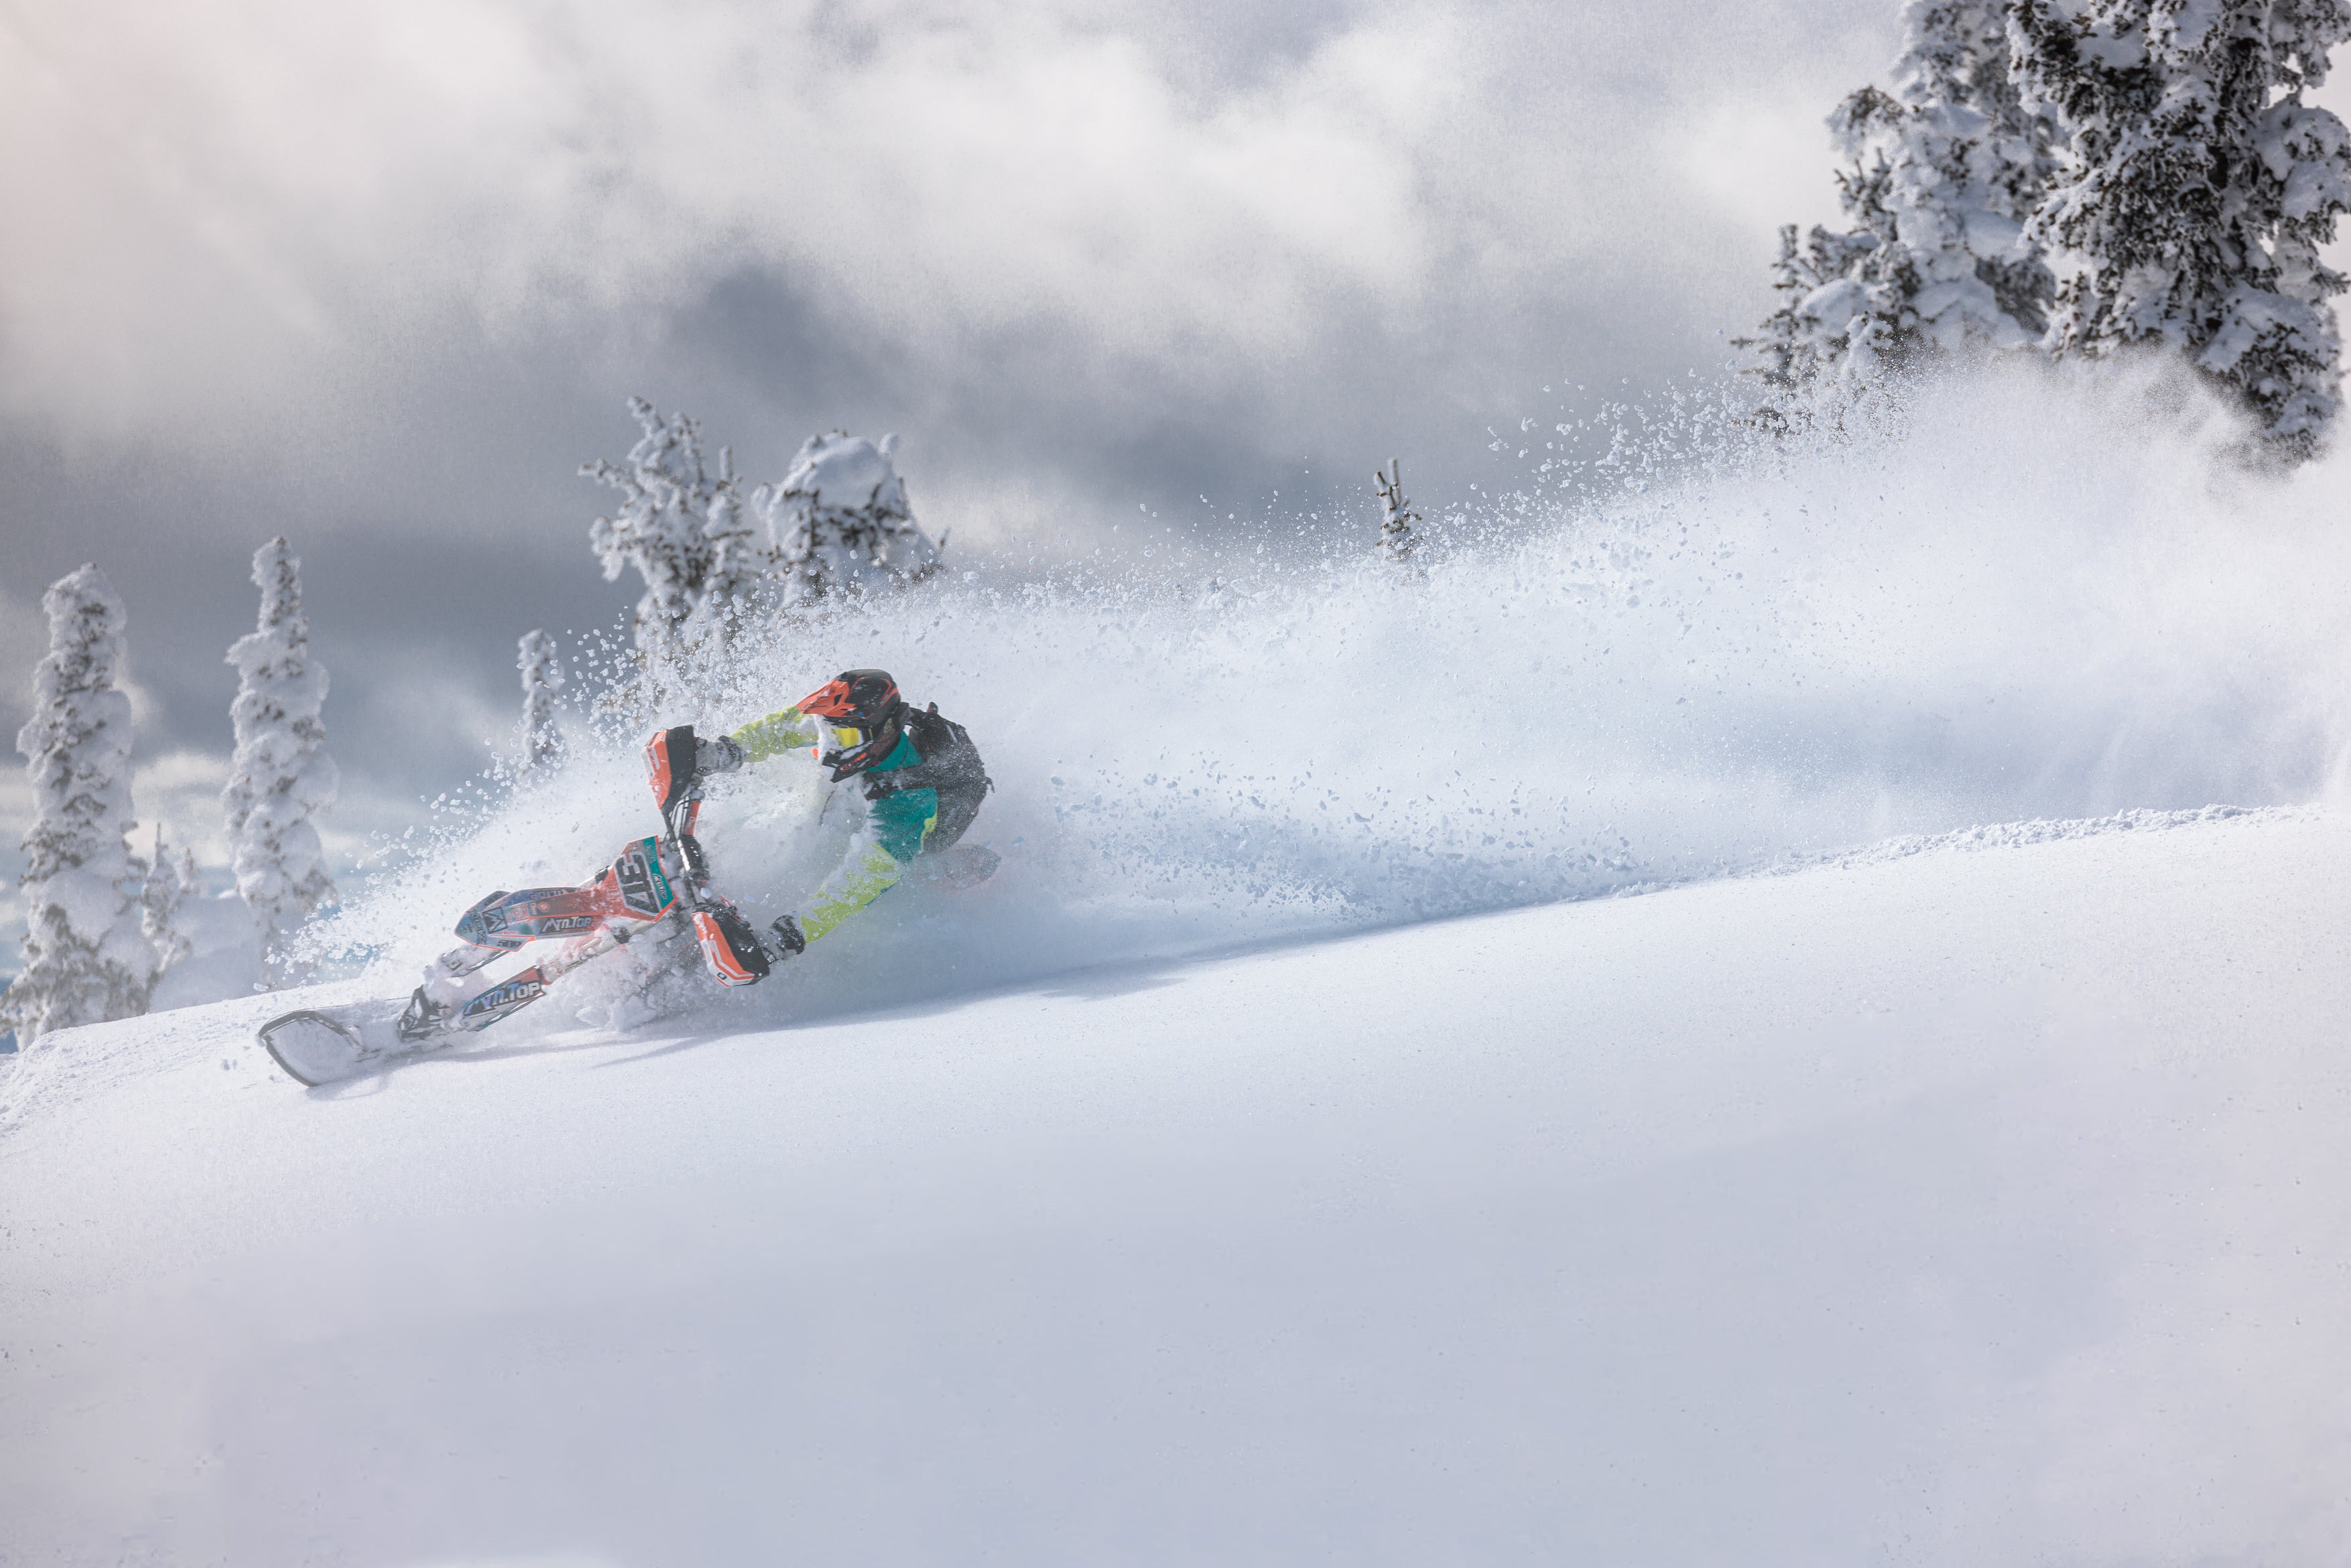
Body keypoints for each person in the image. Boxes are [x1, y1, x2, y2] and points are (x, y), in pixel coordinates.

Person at [647, 669, 991, 986]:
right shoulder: (847, 726)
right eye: (827, 731)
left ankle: (934, 871)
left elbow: (859, 882)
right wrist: (723, 753)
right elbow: (786, 728)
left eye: (840, 735)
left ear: (884, 732)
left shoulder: (906, 802)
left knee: (844, 855)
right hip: (869, 793)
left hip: (921, 831)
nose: (829, 745)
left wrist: (786, 938)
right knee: (818, 810)